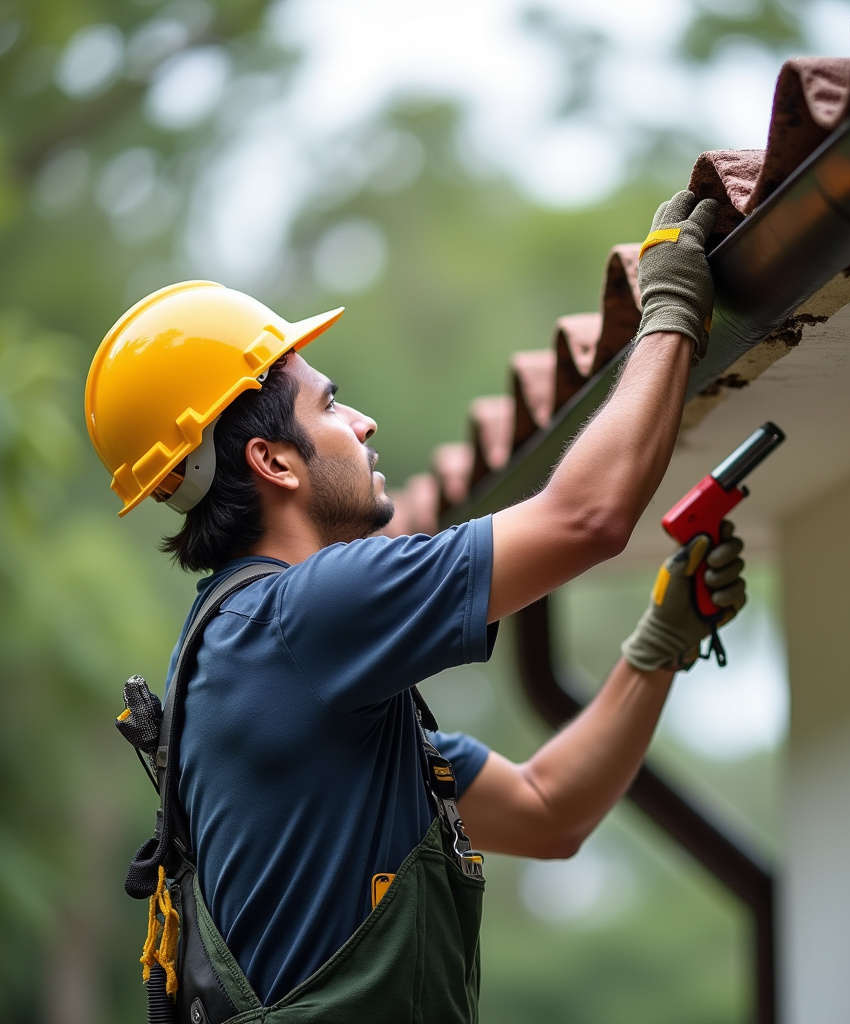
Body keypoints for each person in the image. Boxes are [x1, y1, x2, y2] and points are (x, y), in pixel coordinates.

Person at [86, 191, 746, 1022]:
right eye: (328, 405)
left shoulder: (299, 676)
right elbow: (588, 518)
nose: (362, 424)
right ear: (272, 462)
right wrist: (674, 307)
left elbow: (550, 812)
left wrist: (659, 644)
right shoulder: (303, 618)